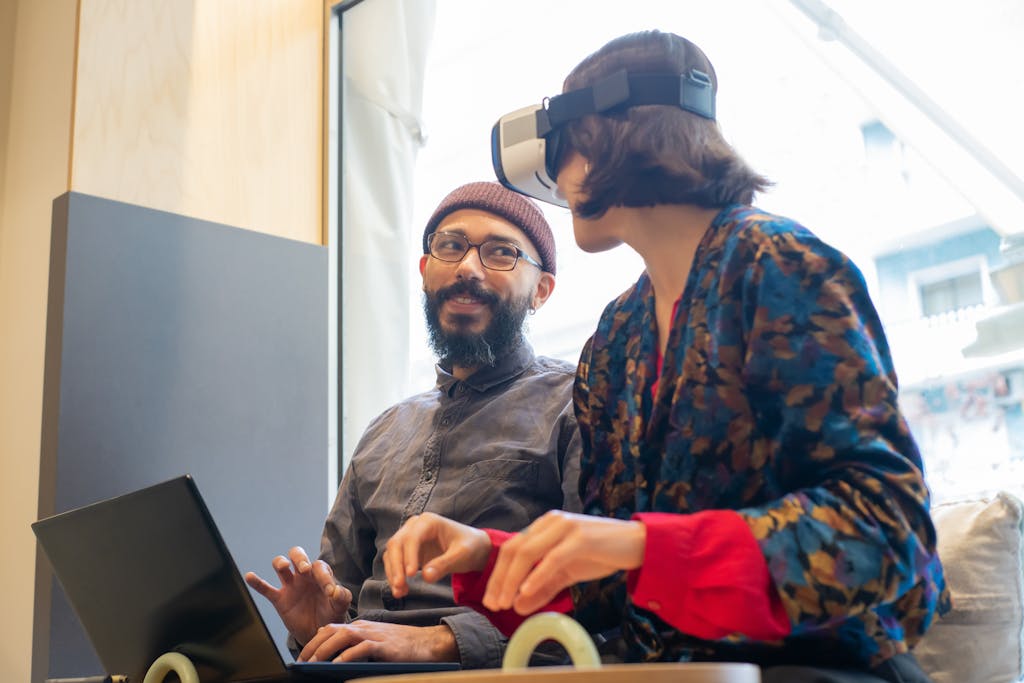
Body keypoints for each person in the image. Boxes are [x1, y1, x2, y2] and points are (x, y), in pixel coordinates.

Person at [381, 31, 950, 683]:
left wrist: (643, 545)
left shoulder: (779, 268)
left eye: (561, 147)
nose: (558, 181)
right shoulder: (615, 339)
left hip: (822, 669)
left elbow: (887, 527)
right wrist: (486, 556)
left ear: (602, 136)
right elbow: (613, 580)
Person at [245, 181, 582, 669]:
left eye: (501, 253)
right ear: (426, 272)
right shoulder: (385, 432)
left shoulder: (577, 405)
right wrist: (320, 630)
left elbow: (605, 596)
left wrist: (439, 642)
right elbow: (348, 604)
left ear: (541, 291)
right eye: (451, 246)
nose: (467, 267)